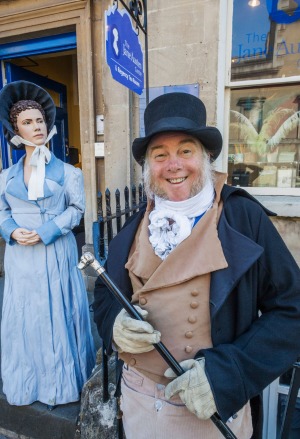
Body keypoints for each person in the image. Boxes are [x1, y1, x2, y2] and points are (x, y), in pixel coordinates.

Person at [93, 92, 300, 438]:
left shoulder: (242, 218)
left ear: (205, 157)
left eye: (185, 151)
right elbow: (105, 292)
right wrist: (114, 323)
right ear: (148, 168)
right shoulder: (134, 225)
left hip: (207, 413)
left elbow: (293, 310)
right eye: (160, 155)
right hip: (137, 405)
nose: (173, 165)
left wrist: (227, 374)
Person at [0, 80, 96, 409]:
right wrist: (12, 231)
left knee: (59, 311)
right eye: (27, 122)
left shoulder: (68, 172)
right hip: (21, 258)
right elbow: (2, 212)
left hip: (55, 250)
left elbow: (77, 210)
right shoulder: (5, 176)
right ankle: (27, 384)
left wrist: (47, 231)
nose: (36, 126)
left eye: (39, 120)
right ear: (15, 129)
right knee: (27, 317)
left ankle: (62, 386)